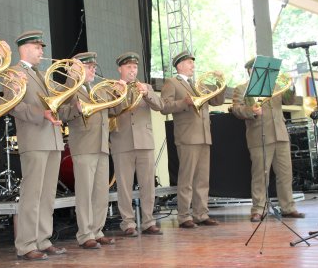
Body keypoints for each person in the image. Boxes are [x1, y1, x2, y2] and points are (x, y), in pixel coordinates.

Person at [10, 30, 67, 260]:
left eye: (41, 47)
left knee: (47, 195)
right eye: (37, 47)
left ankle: (43, 239)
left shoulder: (43, 75)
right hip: (34, 139)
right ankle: (25, 244)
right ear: (24, 48)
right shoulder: (13, 73)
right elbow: (14, 106)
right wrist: (40, 114)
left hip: (52, 139)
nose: (42, 51)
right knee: (32, 195)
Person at [59, 52, 123, 249]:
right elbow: (61, 113)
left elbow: (114, 111)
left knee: (100, 193)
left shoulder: (99, 90)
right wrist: (76, 108)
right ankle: (85, 234)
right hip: (84, 145)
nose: (93, 69)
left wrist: (119, 95)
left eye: (94, 67)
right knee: (85, 193)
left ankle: (97, 230)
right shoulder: (70, 88)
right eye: (89, 67)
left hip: (102, 145)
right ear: (77, 69)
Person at [231, 58, 305, 222]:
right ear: (251, 71)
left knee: (285, 174)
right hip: (259, 136)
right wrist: (251, 111)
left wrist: (291, 86)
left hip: (280, 135)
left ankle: (288, 207)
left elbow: (289, 100)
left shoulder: (276, 87)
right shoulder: (242, 88)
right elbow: (236, 109)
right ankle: (258, 209)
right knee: (260, 174)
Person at [160, 50, 224, 228]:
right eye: (189, 63)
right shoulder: (172, 82)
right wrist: (183, 103)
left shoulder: (197, 85)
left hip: (204, 136)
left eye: (192, 63)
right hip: (187, 136)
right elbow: (164, 107)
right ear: (179, 65)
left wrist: (220, 83)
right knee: (186, 179)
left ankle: (201, 214)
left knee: (202, 179)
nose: (193, 66)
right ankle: (183, 216)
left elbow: (217, 101)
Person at [109, 52, 164, 237]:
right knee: (124, 186)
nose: (132, 70)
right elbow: (110, 112)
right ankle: (128, 223)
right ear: (120, 69)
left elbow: (160, 105)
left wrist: (147, 93)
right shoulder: (113, 87)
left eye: (134, 67)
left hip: (144, 141)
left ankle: (149, 221)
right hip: (122, 141)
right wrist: (118, 93)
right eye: (128, 67)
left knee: (148, 184)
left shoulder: (146, 86)